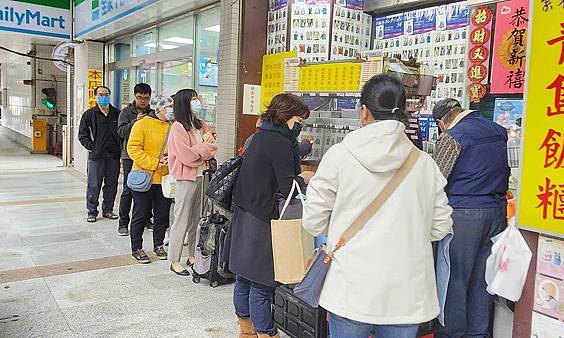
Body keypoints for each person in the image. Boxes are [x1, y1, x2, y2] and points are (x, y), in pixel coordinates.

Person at [301, 74, 453, 338]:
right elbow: (440, 227)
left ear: (364, 112)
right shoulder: (425, 165)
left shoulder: (339, 156)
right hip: (406, 292)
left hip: (349, 287)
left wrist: (339, 227)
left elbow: (313, 220)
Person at [225, 94, 313, 338]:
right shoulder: (280, 142)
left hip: (244, 214)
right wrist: (303, 179)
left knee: (243, 276)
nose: (300, 125)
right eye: (299, 119)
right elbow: (287, 186)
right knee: (262, 284)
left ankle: (246, 331)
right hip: (263, 220)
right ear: (286, 117)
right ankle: (266, 333)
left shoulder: (260, 136)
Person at [431, 98, 510, 338]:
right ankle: (478, 333)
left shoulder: (453, 136)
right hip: (496, 213)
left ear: (441, 122)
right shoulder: (498, 131)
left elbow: (436, 179)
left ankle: (451, 333)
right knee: (482, 279)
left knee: (454, 279)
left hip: (464, 215)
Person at [167, 89, 217, 276]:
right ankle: (174, 260)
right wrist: (203, 148)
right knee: (181, 219)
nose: (197, 102)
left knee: (198, 219)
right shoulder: (178, 127)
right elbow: (186, 156)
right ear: (184, 102)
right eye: (193, 99)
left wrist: (200, 149)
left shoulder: (200, 124)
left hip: (202, 176)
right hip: (186, 179)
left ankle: (192, 255)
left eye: (197, 98)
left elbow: (213, 146)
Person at [127, 95, 174, 264]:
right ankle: (137, 248)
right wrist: (154, 162)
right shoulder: (142, 124)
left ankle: (159, 244)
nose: (172, 110)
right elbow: (133, 149)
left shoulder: (173, 126)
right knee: (140, 213)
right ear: (159, 108)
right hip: (144, 177)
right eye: (169, 107)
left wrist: (171, 160)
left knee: (162, 214)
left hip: (165, 179)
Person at [78, 86, 121, 223]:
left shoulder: (117, 113)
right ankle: (92, 211)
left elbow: (121, 134)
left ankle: (108, 210)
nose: (104, 97)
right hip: (96, 157)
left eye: (106, 94)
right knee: (94, 184)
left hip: (113, 156)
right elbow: (82, 135)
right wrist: (92, 147)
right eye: (101, 94)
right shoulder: (89, 114)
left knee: (111, 184)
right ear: (96, 96)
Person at [117, 83, 155, 236]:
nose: (143, 101)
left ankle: (146, 219)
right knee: (129, 189)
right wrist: (135, 123)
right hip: (130, 156)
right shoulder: (126, 112)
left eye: (146, 98)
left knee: (148, 188)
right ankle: (123, 222)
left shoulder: (153, 112)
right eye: (140, 98)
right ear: (135, 96)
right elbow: (120, 132)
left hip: (148, 156)